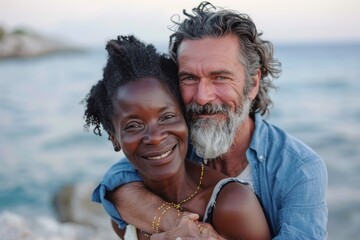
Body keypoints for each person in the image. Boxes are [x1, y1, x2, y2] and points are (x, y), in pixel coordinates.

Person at [92, 2, 328, 239]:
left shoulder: (299, 168)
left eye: (220, 77)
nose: (203, 97)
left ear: (252, 84)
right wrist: (177, 223)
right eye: (190, 78)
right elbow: (116, 181)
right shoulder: (174, 142)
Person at [84, 35, 271, 240]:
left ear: (185, 118)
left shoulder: (232, 204)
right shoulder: (124, 209)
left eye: (167, 117)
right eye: (133, 125)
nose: (155, 138)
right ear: (114, 139)